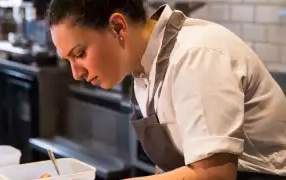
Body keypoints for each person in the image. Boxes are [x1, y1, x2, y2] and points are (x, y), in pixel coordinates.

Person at [46, 0, 286, 179]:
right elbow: (169, 168)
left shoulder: (194, 56)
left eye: (80, 54)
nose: (76, 73)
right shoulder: (143, 70)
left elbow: (215, 175)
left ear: (118, 27)